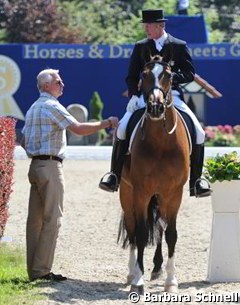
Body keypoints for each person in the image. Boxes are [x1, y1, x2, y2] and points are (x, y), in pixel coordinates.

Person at [99, 9, 211, 198]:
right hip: (145, 98)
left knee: (199, 133)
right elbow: (132, 76)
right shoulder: (141, 46)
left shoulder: (178, 45)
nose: (146, 29)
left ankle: (196, 182)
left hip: (173, 96)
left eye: (149, 25)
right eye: (145, 25)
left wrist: (169, 77)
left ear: (161, 25)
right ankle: (114, 176)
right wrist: (134, 95)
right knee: (122, 128)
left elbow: (190, 73)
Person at [21, 68, 118, 282]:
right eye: (57, 81)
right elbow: (79, 129)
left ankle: (33, 271)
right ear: (46, 86)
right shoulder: (52, 106)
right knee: (52, 220)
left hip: (35, 166)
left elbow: (23, 140)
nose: (62, 84)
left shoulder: (33, 108)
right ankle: (42, 271)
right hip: (51, 167)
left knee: (34, 221)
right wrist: (107, 123)